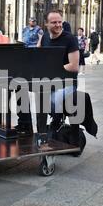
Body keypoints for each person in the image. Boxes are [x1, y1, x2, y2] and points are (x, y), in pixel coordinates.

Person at [38, 9, 79, 143]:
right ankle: (30, 128)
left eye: (60, 22)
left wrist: (53, 70)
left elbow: (74, 66)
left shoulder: (70, 39)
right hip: (49, 81)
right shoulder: (44, 37)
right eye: (54, 22)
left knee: (53, 101)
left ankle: (55, 123)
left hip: (67, 83)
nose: (58, 25)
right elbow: (37, 56)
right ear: (46, 24)